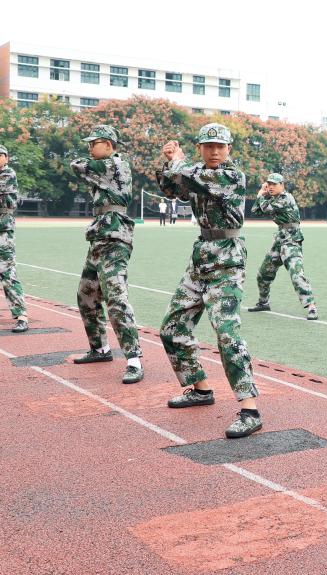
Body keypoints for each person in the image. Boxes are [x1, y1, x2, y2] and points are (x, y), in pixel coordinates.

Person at [157, 123, 262, 439]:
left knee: (227, 333)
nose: (214, 151)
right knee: (172, 328)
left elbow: (187, 176)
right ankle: (201, 389)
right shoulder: (196, 173)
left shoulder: (231, 176)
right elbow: (172, 189)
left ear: (229, 149)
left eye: (220, 146)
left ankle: (250, 410)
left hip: (227, 261)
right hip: (201, 258)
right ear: (200, 148)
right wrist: (169, 162)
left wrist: (178, 162)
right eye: (208, 146)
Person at [69, 125, 143, 384]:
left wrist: (88, 160)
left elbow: (76, 165)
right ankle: (100, 349)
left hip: (114, 238)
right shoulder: (104, 168)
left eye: (94, 143)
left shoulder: (113, 165)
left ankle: (134, 359)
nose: (90, 148)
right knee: (86, 295)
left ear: (109, 145)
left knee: (116, 299)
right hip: (99, 237)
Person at [247, 173, 319, 320]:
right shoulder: (272, 199)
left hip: (292, 241)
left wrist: (261, 194)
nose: (271, 187)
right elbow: (255, 211)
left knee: (296, 274)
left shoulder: (286, 198)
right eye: (269, 184)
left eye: (274, 184)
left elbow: (266, 209)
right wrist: (263, 195)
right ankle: (263, 302)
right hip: (279, 240)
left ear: (282, 185)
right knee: (263, 274)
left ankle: (311, 306)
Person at [0, 145, 27, 333]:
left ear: (6, 158)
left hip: (3, 231)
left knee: (8, 272)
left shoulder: (8, 174)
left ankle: (21, 316)